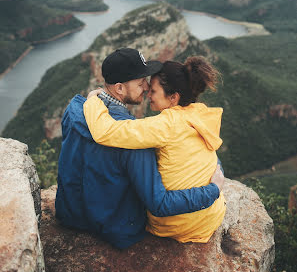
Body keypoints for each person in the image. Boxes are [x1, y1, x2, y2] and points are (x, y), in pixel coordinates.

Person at [55, 48, 224, 249]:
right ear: (119, 88)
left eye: (150, 85)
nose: (146, 87)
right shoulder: (138, 143)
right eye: (141, 82)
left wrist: (92, 100)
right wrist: (213, 186)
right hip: (116, 228)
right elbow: (159, 202)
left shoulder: (73, 109)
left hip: (69, 214)